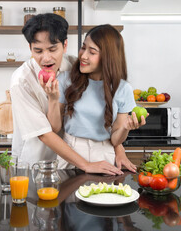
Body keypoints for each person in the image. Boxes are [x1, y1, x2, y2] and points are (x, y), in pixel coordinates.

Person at [10, 14, 132, 175]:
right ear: (30, 49)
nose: (46, 58)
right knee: (37, 199)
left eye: (53, 49)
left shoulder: (76, 67)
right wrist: (87, 164)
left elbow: (105, 113)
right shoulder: (21, 81)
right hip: (35, 160)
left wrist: (118, 148)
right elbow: (45, 134)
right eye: (38, 51)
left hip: (68, 160)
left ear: (65, 45)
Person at [41, 24, 147, 169]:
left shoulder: (123, 89)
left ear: (108, 57)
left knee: (102, 192)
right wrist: (53, 99)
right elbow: (54, 128)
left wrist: (125, 128)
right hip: (70, 153)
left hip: (104, 154)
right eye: (83, 48)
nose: (83, 56)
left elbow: (116, 140)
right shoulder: (66, 79)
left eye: (92, 52)